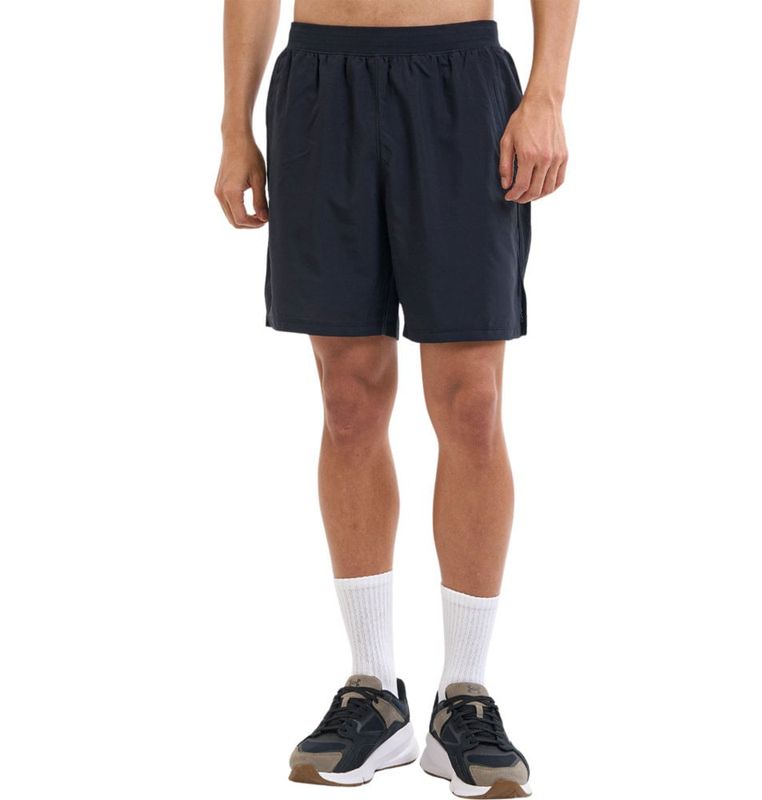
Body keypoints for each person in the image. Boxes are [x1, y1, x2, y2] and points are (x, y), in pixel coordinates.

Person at [215, 1, 578, 796]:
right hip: (323, 84)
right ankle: (374, 691)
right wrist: (234, 126)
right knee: (347, 398)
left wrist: (546, 93)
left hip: (459, 82)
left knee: (472, 401)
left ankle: (465, 697)